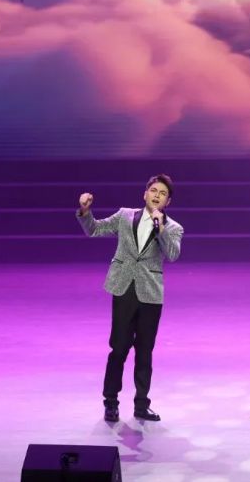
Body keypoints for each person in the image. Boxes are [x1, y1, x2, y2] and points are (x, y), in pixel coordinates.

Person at [77, 174, 183, 422]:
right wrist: (85, 212)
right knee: (119, 348)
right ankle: (111, 402)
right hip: (124, 288)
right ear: (145, 194)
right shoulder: (125, 215)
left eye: (163, 193)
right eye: (154, 190)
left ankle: (141, 405)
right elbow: (95, 229)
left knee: (145, 351)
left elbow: (173, 254)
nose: (157, 196)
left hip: (150, 294)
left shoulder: (173, 227)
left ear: (168, 202)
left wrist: (161, 228)